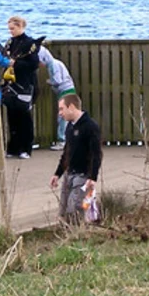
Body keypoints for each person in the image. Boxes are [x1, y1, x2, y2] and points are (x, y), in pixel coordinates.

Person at [50, 94, 101, 223]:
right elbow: (66, 152)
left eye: (62, 109)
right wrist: (58, 174)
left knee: (75, 209)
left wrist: (93, 177)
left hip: (82, 175)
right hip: (69, 173)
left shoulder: (90, 127)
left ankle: (78, 235)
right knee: (63, 211)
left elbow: (96, 154)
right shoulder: (69, 127)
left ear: (71, 107)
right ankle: (66, 235)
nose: (60, 113)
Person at [3, 15, 42, 158]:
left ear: (20, 26)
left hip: (25, 83)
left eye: (13, 29)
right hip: (11, 84)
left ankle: (26, 148)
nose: (11, 32)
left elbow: (34, 64)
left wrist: (16, 64)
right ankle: (13, 148)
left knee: (24, 117)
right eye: (9, 29)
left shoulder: (29, 44)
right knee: (12, 116)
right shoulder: (10, 43)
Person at [37, 44, 75, 147]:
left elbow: (57, 80)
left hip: (65, 91)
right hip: (68, 90)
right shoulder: (55, 63)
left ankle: (62, 140)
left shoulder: (53, 65)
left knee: (63, 117)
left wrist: (49, 82)